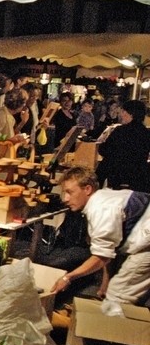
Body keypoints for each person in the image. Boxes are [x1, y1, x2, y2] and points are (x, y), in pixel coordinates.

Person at [51, 166, 150, 317]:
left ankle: (107, 330)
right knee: (123, 291)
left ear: (87, 189)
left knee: (118, 296)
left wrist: (68, 277)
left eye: (70, 192)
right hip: (144, 237)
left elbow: (101, 257)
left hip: (146, 244)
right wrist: (105, 282)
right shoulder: (103, 197)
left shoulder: (101, 209)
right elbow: (109, 250)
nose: (65, 199)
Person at [96, 99, 150, 192]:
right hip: (138, 177)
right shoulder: (146, 133)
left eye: (123, 111)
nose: (121, 114)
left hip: (118, 176)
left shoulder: (120, 131)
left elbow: (104, 150)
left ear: (130, 114)